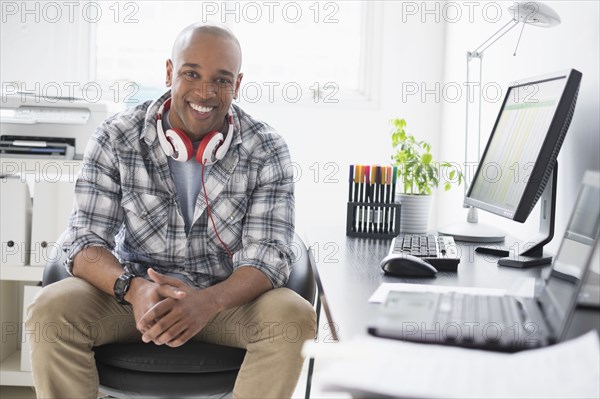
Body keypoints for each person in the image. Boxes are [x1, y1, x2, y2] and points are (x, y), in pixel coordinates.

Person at [26, 23, 316, 399]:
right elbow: (84, 241)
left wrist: (208, 301)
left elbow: (269, 256)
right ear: (168, 72)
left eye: (221, 80)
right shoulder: (117, 137)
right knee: (50, 309)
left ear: (238, 84)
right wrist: (133, 289)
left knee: (292, 315)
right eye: (191, 73)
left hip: (223, 302)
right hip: (131, 299)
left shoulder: (266, 148)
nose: (205, 92)